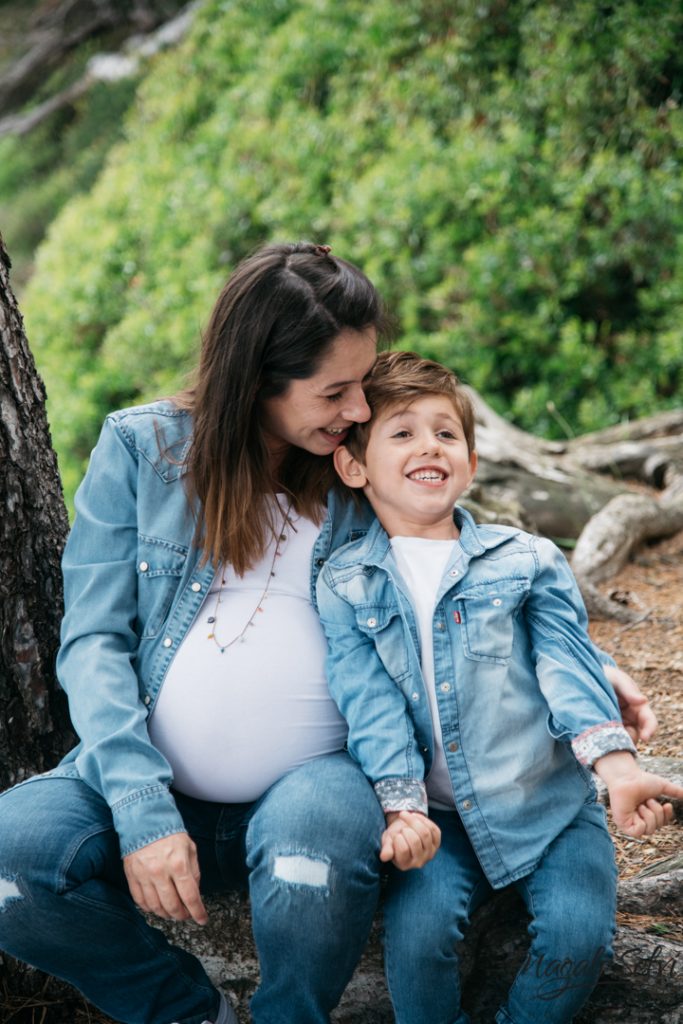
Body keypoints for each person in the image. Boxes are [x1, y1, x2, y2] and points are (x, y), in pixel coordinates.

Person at [0, 245, 656, 1024]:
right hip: (145, 772)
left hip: (316, 784)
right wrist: (141, 807)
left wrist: (586, 663)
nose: (357, 409)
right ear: (257, 381)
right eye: (334, 390)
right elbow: (93, 643)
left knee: (311, 848)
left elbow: (463, 570)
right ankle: (186, 1013)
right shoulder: (145, 452)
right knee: (12, 863)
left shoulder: (350, 474)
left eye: (362, 383)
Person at [316, 350, 683, 1024]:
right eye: (402, 432)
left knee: (577, 937)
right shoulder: (345, 583)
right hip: (436, 818)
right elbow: (368, 703)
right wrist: (401, 807)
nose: (428, 445)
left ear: (471, 461)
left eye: (445, 433)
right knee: (418, 943)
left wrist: (618, 766)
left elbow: (566, 666)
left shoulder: (526, 560)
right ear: (353, 464)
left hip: (550, 806)